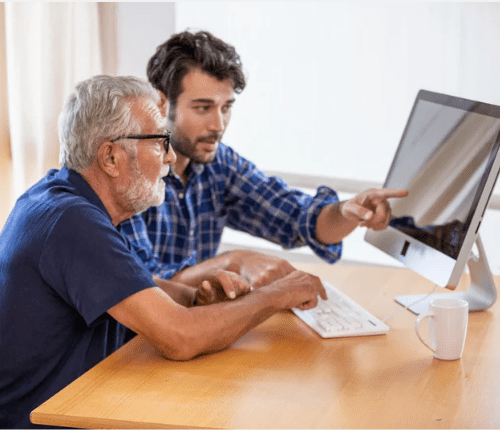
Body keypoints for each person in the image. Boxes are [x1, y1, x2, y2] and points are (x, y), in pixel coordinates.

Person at [0, 75, 326, 429]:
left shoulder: (67, 200)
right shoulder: (72, 221)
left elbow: (127, 288)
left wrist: (193, 296)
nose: (171, 158)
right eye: (160, 143)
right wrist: (278, 295)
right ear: (110, 157)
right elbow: (180, 339)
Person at [119, 30, 407, 288]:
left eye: (226, 107)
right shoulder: (128, 175)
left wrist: (346, 211)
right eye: (203, 108)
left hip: (195, 328)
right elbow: (144, 286)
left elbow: (299, 219)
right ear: (160, 102)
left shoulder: (219, 166)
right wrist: (232, 262)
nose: (218, 125)